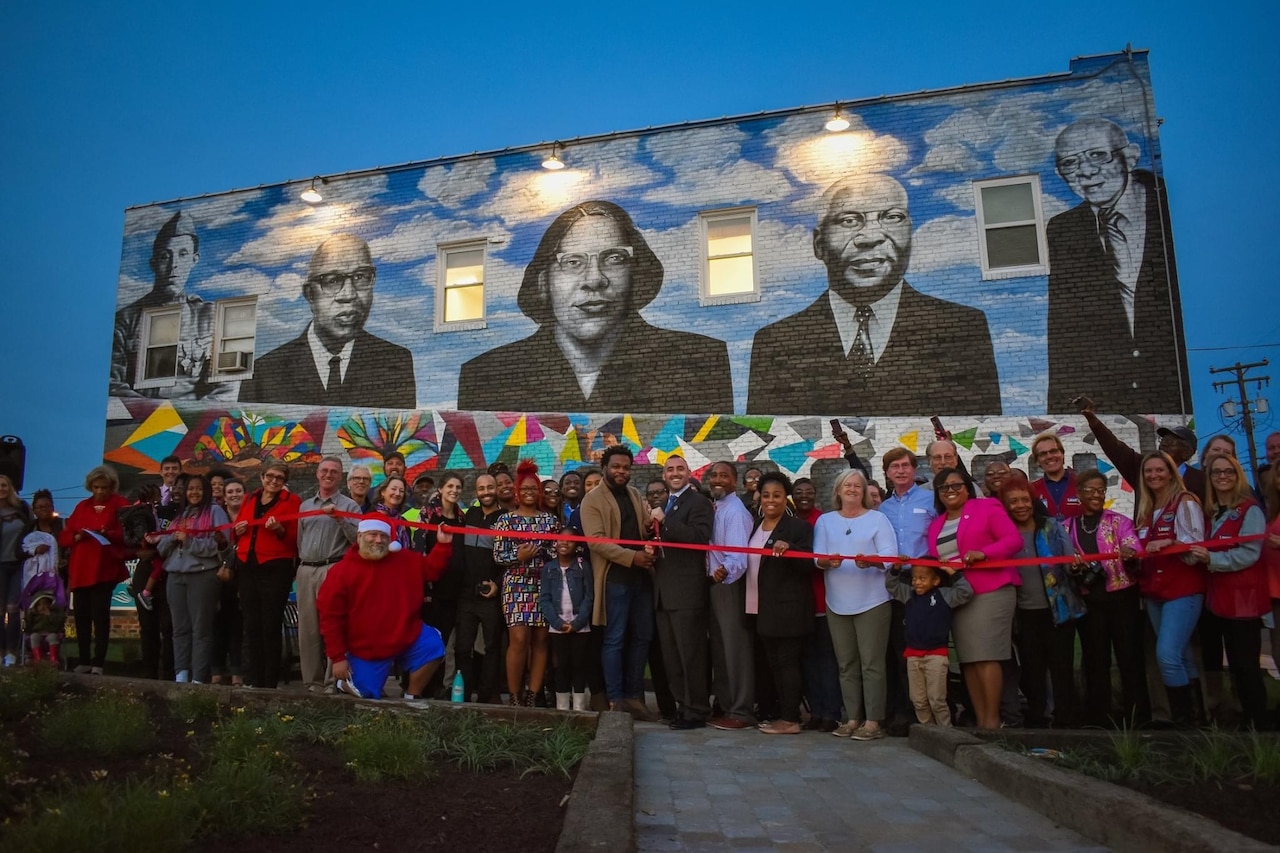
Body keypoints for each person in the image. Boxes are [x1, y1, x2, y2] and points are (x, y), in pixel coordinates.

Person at [747, 174, 1000, 416]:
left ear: (910, 233)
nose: (870, 237)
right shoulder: (775, 342)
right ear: (819, 244)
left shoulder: (961, 328)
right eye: (848, 220)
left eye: (892, 217)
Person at [458, 200, 732, 413]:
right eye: (573, 262)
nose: (594, 280)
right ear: (544, 281)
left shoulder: (702, 360)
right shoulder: (486, 374)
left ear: (636, 273)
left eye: (614, 258)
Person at [1046, 118, 1188, 413]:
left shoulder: (1168, 204)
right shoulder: (1063, 229)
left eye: (1098, 155)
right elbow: (1064, 335)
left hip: (1174, 393)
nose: (1085, 171)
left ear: (1131, 156)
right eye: (1070, 163)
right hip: (1108, 404)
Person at [239, 234, 415, 408]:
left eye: (361, 277)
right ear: (310, 294)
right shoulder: (265, 372)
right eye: (332, 281)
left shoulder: (396, 361)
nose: (349, 294)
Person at [927, 467, 1022, 730]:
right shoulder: (936, 524)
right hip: (959, 596)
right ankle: (982, 722)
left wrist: (984, 553)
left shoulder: (987, 507)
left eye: (956, 485)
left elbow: (1013, 541)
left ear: (967, 488)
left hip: (991, 590)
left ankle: (993, 721)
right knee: (969, 658)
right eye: (944, 487)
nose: (950, 491)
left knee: (987, 654)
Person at [318, 518, 455, 700]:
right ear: (359, 536)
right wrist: (337, 658)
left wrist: (443, 545)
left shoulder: (404, 559)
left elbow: (431, 570)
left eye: (383, 535)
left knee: (433, 646)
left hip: (406, 635)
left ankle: (412, 696)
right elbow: (330, 618)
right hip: (366, 647)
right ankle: (346, 683)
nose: (378, 540)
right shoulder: (341, 572)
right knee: (366, 693)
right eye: (372, 534)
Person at [814, 469, 898, 740]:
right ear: (837, 491)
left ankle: (873, 721)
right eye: (846, 485)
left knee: (871, 664)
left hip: (872, 601)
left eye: (857, 486)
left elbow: (890, 557)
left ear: (864, 491)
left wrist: (871, 560)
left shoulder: (878, 519)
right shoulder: (826, 521)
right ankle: (851, 718)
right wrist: (828, 561)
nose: (852, 489)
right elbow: (818, 558)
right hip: (837, 601)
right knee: (845, 664)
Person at [111, 211, 231, 400]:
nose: (174, 265)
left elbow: (227, 388)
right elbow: (113, 386)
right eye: (165, 256)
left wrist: (195, 422)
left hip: (199, 424)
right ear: (153, 263)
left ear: (194, 260)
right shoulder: (125, 320)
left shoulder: (212, 316)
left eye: (183, 254)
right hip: (143, 422)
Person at [1064, 469, 1148, 727]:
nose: (1096, 495)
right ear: (1079, 494)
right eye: (1090, 490)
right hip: (1090, 600)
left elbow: (1135, 547)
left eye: (1101, 490)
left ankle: (1137, 716)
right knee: (1095, 659)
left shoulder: (1118, 521)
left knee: (1129, 656)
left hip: (1121, 596)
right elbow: (1064, 563)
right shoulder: (1067, 526)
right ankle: (1098, 716)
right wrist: (1076, 568)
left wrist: (1129, 552)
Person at [1190, 454, 1269, 730]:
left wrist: (1212, 560)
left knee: (1245, 666)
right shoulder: (1210, 513)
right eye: (1216, 473)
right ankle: (1238, 719)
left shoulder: (1250, 510)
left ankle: (1260, 723)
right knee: (1230, 665)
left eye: (1229, 472)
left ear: (1238, 476)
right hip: (1217, 600)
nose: (1222, 477)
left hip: (1243, 601)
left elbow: (1249, 553)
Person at [581, 446, 658, 720]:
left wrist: (652, 527)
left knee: (642, 637)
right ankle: (615, 700)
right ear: (605, 467)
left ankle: (634, 697)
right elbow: (597, 541)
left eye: (626, 467)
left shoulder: (635, 494)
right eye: (616, 467)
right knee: (614, 639)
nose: (621, 472)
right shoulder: (591, 500)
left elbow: (643, 527)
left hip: (641, 578)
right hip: (614, 578)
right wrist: (632, 557)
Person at [999, 478, 1083, 728]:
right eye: (1013, 501)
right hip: (1024, 614)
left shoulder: (1052, 527)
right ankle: (1037, 719)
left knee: (1061, 669)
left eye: (1025, 499)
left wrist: (1076, 566)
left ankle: (1065, 721)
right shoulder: (1004, 534)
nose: (1021, 505)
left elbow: (1069, 561)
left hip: (1058, 611)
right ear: (1005, 504)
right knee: (1033, 670)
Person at [1134, 451, 1205, 727]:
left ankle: (1183, 722)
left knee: (1166, 655)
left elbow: (1196, 544)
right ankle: (1197, 720)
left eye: (1159, 470)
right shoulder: (1147, 507)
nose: (1153, 475)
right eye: (1148, 471)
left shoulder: (1184, 502)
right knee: (1182, 654)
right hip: (1155, 591)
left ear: (1171, 472)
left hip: (1182, 589)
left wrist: (1170, 543)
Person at [649, 455, 714, 730]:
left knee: (691, 655)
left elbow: (699, 538)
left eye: (680, 469)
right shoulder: (665, 504)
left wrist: (665, 522)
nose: (675, 473)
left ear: (689, 473)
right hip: (664, 593)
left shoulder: (698, 502)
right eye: (670, 470)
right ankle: (682, 706)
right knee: (672, 656)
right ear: (664, 475)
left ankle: (697, 709)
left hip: (687, 592)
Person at [876, 447, 937, 734]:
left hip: (926, 580)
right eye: (894, 467)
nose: (900, 471)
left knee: (923, 647)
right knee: (898, 649)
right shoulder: (882, 509)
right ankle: (900, 710)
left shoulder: (930, 499)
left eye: (905, 466)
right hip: (894, 582)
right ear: (887, 473)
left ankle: (924, 711)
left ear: (914, 469)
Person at [750, 472, 815, 735]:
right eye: (766, 495)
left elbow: (808, 565)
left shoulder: (798, 527)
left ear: (785, 497)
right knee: (774, 664)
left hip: (789, 610)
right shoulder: (755, 525)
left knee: (787, 663)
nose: (771, 500)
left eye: (777, 495)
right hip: (761, 608)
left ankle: (790, 719)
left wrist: (790, 549)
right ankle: (782, 713)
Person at [149, 474, 229, 684]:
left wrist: (190, 541)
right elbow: (162, 547)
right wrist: (174, 538)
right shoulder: (181, 515)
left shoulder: (215, 512)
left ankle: (199, 678)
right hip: (175, 575)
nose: (194, 492)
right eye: (190, 489)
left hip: (202, 575)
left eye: (199, 489)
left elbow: (220, 546)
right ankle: (181, 674)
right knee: (179, 628)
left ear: (206, 491)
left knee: (200, 629)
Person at [492, 460, 559, 706]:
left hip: (544, 584)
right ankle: (514, 695)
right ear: (518, 493)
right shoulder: (505, 521)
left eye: (534, 489)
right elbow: (498, 555)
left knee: (541, 640)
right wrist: (517, 556)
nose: (530, 492)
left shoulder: (550, 521)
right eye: (525, 489)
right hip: (516, 584)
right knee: (519, 639)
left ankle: (533, 694)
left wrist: (542, 553)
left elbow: (558, 551)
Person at [233, 464, 301, 689]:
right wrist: (237, 531)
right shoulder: (250, 498)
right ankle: (253, 678)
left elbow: (295, 540)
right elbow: (236, 530)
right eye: (270, 476)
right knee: (251, 625)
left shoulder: (292, 502)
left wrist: (280, 530)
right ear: (261, 477)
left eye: (279, 478)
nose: (274, 480)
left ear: (285, 481)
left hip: (275, 569)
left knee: (270, 626)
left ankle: (269, 682)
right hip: (247, 567)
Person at [296, 458, 360, 692]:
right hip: (306, 568)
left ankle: (333, 680)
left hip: (334, 567)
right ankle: (311, 681)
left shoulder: (350, 506)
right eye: (324, 471)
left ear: (340, 477)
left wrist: (340, 519)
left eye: (334, 472)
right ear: (317, 474)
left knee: (334, 624)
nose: (328, 475)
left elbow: (357, 541)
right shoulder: (304, 506)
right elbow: (299, 540)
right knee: (308, 628)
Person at [60, 465, 130, 673]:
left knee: (100, 616)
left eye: (104, 488)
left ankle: (98, 662)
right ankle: (83, 661)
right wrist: (76, 537)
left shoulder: (120, 505)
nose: (100, 492)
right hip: (81, 568)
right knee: (81, 616)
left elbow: (127, 534)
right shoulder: (82, 506)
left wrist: (107, 533)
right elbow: (65, 537)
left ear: (112, 487)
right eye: (96, 487)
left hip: (104, 568)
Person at [885, 564, 973, 726]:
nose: (917, 582)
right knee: (918, 700)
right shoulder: (909, 595)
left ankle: (946, 733)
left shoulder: (945, 595)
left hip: (936, 655)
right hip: (913, 655)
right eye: (914, 578)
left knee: (936, 700)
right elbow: (892, 586)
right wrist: (895, 569)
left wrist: (953, 573)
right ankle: (928, 732)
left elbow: (965, 592)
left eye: (922, 578)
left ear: (936, 580)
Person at [705, 462, 756, 730]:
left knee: (735, 649)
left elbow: (738, 555)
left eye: (724, 476)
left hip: (728, 584)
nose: (717, 480)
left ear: (734, 482)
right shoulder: (717, 508)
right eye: (713, 475)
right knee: (721, 649)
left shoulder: (735, 512)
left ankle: (742, 710)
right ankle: (726, 705)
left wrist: (723, 571)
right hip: (715, 585)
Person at [406, 471, 465, 698]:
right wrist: (424, 586)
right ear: (441, 489)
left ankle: (439, 685)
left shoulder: (461, 517)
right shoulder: (428, 513)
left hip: (454, 588)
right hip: (433, 588)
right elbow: (418, 548)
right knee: (429, 638)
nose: (454, 491)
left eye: (458, 487)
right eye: (450, 486)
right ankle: (417, 686)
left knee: (446, 640)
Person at [1075, 401, 1203, 499]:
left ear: (1186, 453)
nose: (1164, 444)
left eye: (1171, 442)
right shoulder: (1142, 468)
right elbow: (1115, 447)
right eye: (1163, 441)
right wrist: (1093, 420)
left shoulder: (1200, 481)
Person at [793, 477, 841, 732]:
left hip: (823, 599)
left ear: (815, 494)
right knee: (808, 661)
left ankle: (831, 712)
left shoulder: (824, 520)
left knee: (827, 659)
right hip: (800, 604)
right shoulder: (788, 522)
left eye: (809, 492)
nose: (804, 496)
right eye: (798, 492)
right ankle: (816, 711)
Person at [455, 474, 505, 703]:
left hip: (491, 594)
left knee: (492, 647)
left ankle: (487, 694)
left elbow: (509, 557)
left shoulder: (506, 518)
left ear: (496, 489)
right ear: (476, 492)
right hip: (465, 594)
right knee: (463, 647)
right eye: (481, 488)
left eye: (490, 487)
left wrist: (498, 583)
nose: (486, 492)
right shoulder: (469, 516)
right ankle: (463, 694)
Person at [539, 538, 594, 711]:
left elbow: (589, 596)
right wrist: (557, 622)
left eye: (570, 540)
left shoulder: (583, 566)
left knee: (578, 664)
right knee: (561, 665)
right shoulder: (549, 568)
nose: (564, 543)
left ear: (577, 546)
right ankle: (561, 707)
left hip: (580, 625)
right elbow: (545, 598)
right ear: (555, 544)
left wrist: (577, 623)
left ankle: (579, 706)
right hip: (557, 626)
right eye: (560, 540)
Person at [211, 477, 245, 686]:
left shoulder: (249, 517)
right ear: (224, 497)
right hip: (219, 578)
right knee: (217, 625)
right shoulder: (218, 518)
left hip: (242, 579)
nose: (234, 495)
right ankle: (216, 670)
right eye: (230, 492)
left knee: (238, 627)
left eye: (238, 491)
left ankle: (237, 672)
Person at [0, 474, 32, 666]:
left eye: (4, 485)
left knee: (13, 608)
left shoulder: (21, 509)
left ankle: (11, 652)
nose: (1, 488)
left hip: (17, 564)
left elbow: (31, 530)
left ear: (10, 487)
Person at [1030, 432, 1083, 520]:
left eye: (1053, 451)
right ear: (1037, 461)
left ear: (1062, 454)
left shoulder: (1081, 484)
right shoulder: (1032, 490)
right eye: (1043, 454)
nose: (1049, 456)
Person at [372, 476, 412, 550]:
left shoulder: (403, 522)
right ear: (383, 492)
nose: (397, 493)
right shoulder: (372, 517)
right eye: (393, 489)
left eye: (401, 491)